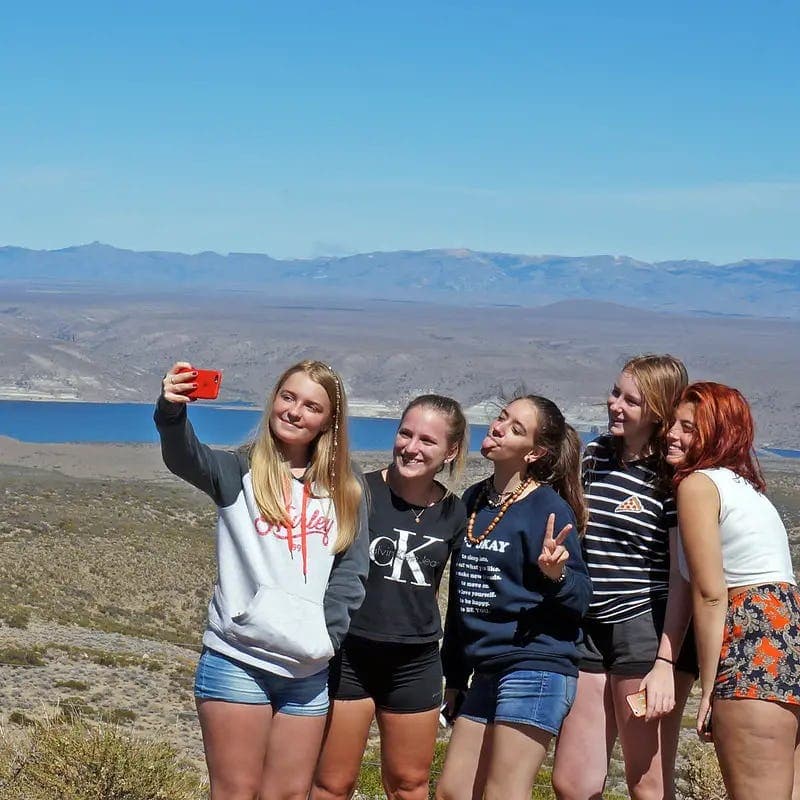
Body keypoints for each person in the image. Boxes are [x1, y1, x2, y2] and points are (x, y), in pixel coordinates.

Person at [154, 360, 369, 800]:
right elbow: (183, 455)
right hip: (238, 660)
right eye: (287, 397)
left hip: (307, 673)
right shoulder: (237, 472)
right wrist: (171, 410)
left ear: (329, 421)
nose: (294, 411)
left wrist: (326, 636)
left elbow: (351, 572)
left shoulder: (346, 485)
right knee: (237, 792)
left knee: (289, 794)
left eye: (312, 406)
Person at [311, 395, 469, 800]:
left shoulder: (455, 513)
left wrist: (455, 672)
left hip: (414, 662)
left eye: (427, 441)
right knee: (332, 783)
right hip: (350, 655)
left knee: (409, 784)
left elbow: (454, 598)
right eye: (405, 433)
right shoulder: (357, 492)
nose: (411, 447)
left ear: (450, 451)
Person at [553, 354, 696, 800]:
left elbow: (681, 576)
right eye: (615, 392)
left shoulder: (671, 477)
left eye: (630, 400)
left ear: (656, 411)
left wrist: (665, 663)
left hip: (643, 630)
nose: (614, 404)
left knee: (645, 781)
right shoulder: (595, 456)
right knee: (573, 783)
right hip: (588, 624)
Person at [436, 395, 592, 800]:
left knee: (503, 793)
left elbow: (580, 597)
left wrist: (556, 576)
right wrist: (454, 677)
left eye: (516, 428)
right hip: (485, 669)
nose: (499, 427)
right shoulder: (472, 502)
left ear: (536, 453)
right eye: (502, 417)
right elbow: (461, 597)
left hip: (535, 666)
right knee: (454, 791)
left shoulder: (548, 509)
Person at [667, 382, 799, 800]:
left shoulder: (699, 485)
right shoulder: (749, 491)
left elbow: (709, 594)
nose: (672, 433)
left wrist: (708, 688)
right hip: (787, 641)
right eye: (672, 423)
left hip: (751, 646)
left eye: (687, 427)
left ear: (717, 433)